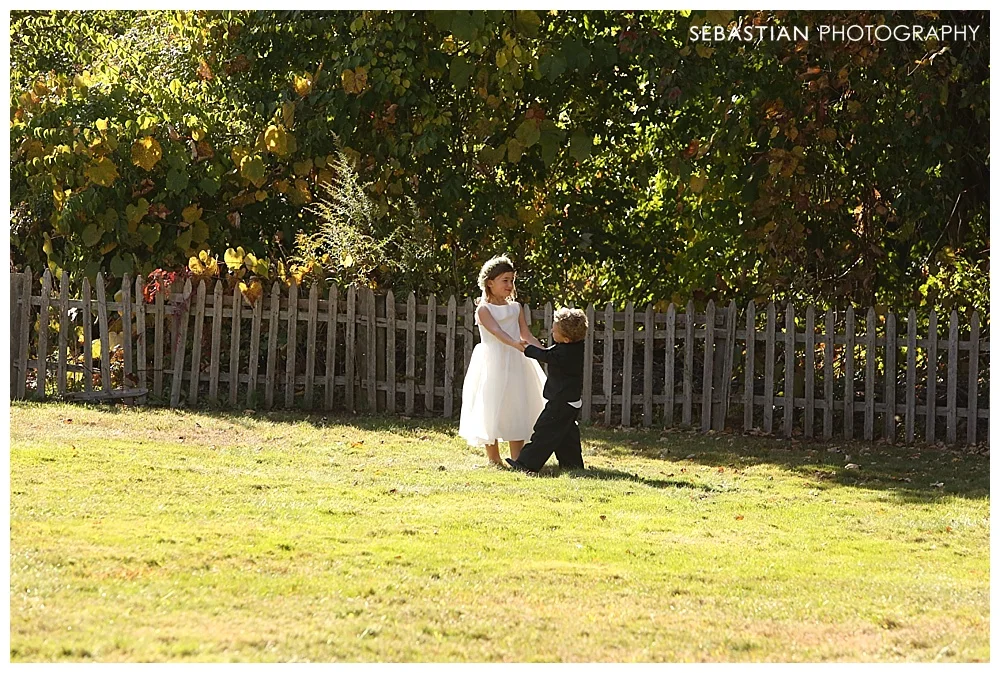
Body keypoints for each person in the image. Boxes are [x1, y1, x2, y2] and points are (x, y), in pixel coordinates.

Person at [458, 255, 546, 466]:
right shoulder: (484, 309)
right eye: (504, 280)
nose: (510, 285)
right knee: (492, 404)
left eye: (512, 280)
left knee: (517, 404)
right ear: (490, 282)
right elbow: (497, 332)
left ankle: (518, 457)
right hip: (493, 362)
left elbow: (526, 334)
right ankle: (493, 458)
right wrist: (515, 344)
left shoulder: (516, 307)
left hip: (517, 362)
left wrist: (545, 351)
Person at [506, 307, 588, 473]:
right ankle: (572, 465)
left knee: (544, 432)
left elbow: (547, 356)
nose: (551, 330)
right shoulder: (574, 347)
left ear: (565, 339)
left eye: (554, 329)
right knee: (566, 435)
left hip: (560, 401)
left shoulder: (564, 353)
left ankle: (526, 464)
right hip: (571, 401)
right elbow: (551, 352)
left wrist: (527, 349)